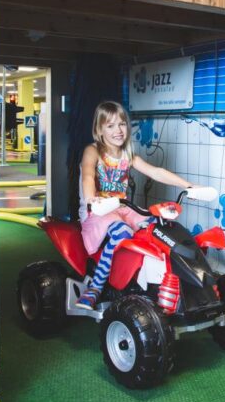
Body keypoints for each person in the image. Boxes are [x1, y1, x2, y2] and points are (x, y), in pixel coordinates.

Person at [76, 101, 194, 309]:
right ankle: (95, 287)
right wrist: (91, 198)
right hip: (98, 211)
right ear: (99, 129)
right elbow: (87, 175)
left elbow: (156, 172)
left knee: (157, 226)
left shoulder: (128, 155)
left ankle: (161, 280)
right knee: (121, 231)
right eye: (110, 125)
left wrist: (188, 185)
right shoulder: (93, 151)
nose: (118, 130)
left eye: (122, 124)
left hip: (123, 208)